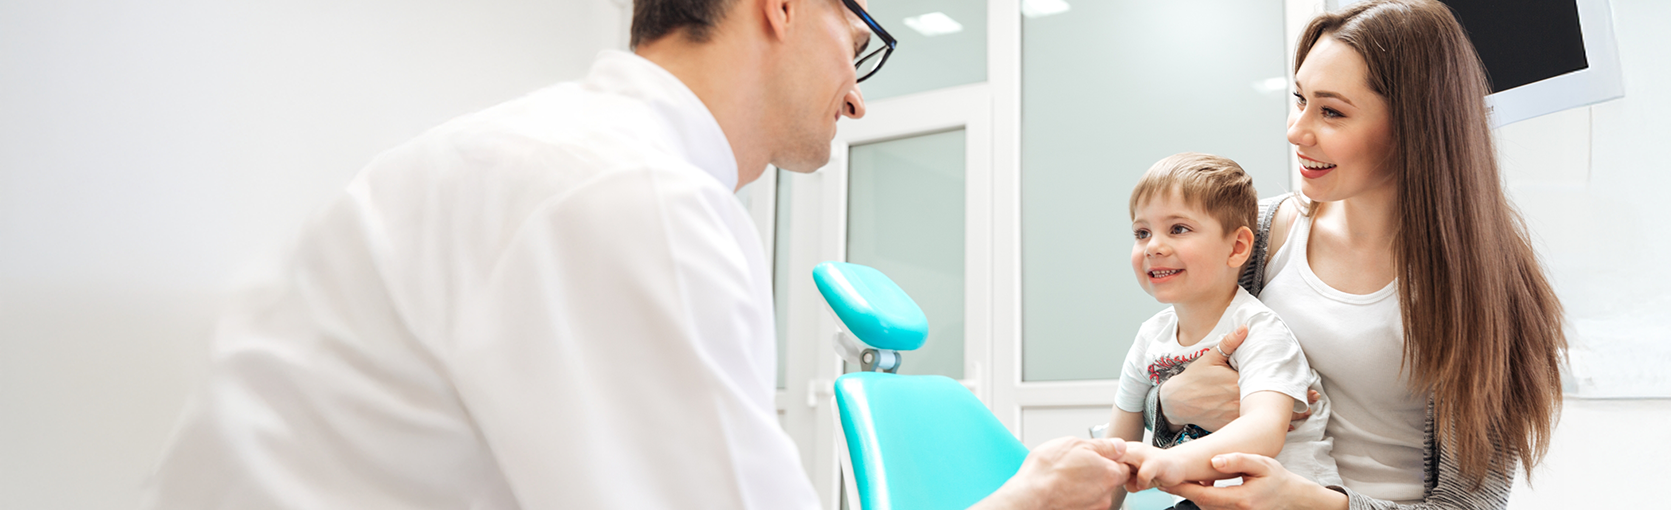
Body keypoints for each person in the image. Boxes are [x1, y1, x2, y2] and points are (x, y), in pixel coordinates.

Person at [143, 0, 1131, 509]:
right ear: (781, 6)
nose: (860, 93)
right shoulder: (632, 197)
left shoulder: (545, 156)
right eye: (858, 37)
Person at [1140, 1, 1570, 509]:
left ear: (1416, 126)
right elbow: (1161, 373)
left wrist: (1317, 503)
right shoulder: (1255, 233)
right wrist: (1167, 404)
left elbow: (1468, 504)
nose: (1296, 131)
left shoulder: (1487, 286)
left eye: (1332, 111)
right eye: (1299, 100)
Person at [1104, 154, 1338, 506]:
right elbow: (1120, 440)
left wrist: (1169, 460)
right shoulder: (1149, 338)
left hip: (1285, 500)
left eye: (1178, 229)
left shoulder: (1257, 330)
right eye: (1142, 232)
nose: (1153, 246)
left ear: (1238, 247)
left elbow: (1264, 431)